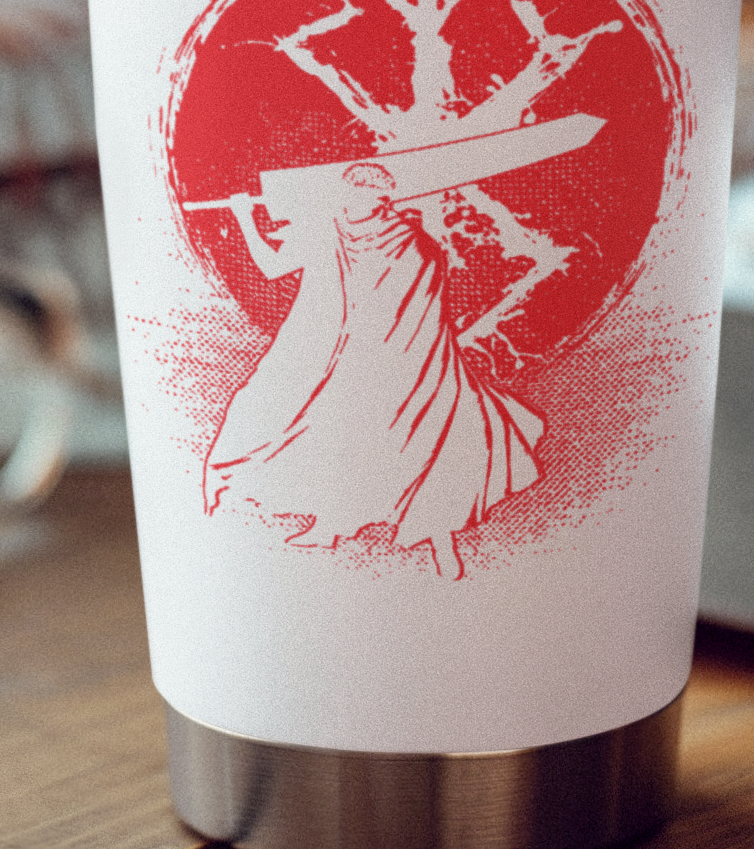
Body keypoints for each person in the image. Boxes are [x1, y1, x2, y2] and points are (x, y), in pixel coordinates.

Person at [203, 156, 543, 579]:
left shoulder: (412, 241)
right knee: (342, 439)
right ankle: (329, 527)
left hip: (407, 360)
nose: (357, 202)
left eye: (368, 196)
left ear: (384, 199)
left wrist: (243, 215)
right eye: (351, 193)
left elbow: (427, 303)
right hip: (347, 359)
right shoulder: (328, 229)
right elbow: (274, 267)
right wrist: (244, 217)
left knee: (427, 439)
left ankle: (441, 540)